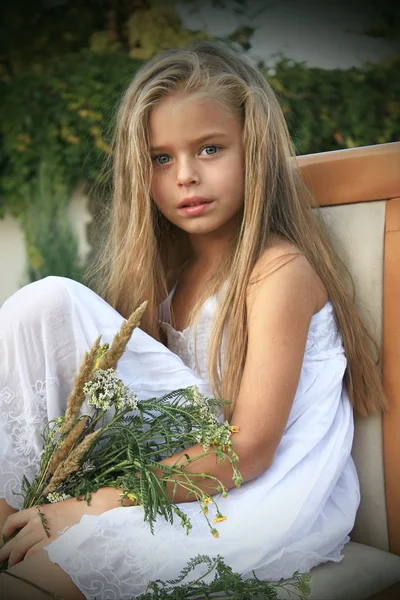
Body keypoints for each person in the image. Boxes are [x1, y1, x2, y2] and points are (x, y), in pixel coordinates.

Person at [0, 40, 386, 600]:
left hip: (266, 491)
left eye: (209, 149)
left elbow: (249, 448)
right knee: (45, 303)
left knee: (51, 570)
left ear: (253, 149)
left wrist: (94, 504)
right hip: (177, 470)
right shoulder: (167, 274)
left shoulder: (278, 272)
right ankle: (13, 512)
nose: (184, 175)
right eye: (161, 158)